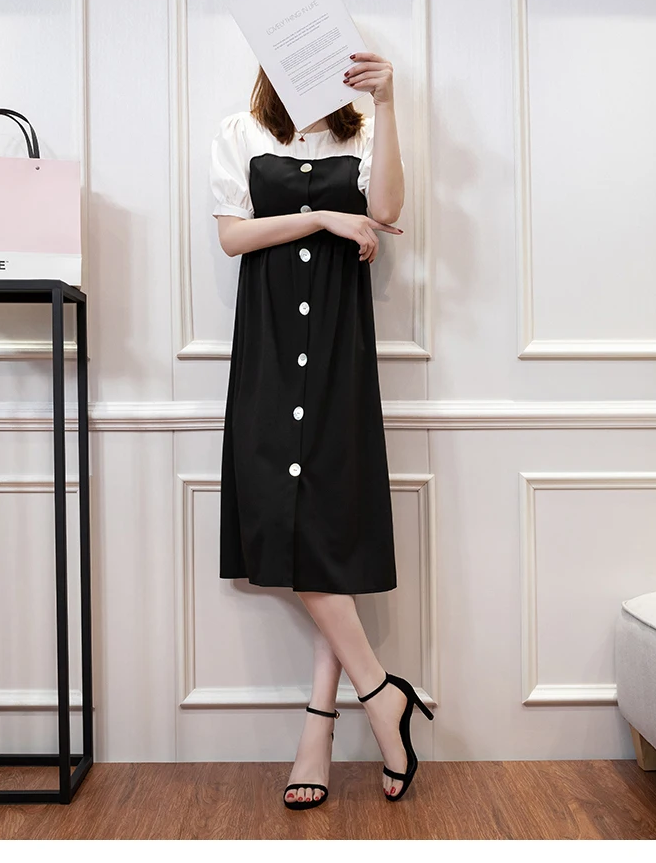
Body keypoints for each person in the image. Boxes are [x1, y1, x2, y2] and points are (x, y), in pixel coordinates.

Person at [209, 52, 433, 809]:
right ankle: (381, 693)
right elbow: (233, 238)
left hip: (339, 350)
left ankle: (318, 729)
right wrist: (323, 218)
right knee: (285, 521)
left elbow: (389, 206)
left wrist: (390, 103)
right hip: (269, 350)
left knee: (325, 531)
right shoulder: (239, 133)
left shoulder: (362, 132)